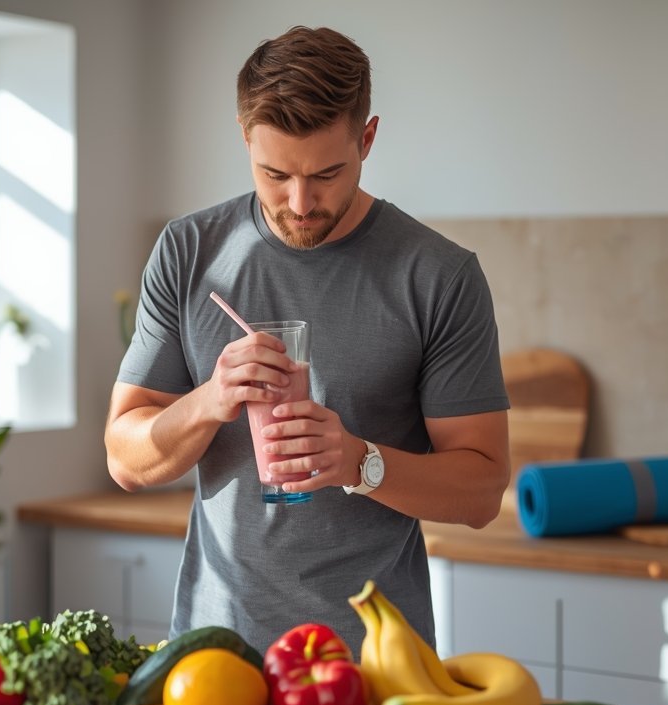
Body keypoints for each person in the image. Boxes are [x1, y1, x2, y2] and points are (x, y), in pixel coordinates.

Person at [104, 25, 510, 658]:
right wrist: (210, 399)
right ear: (245, 138)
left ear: (367, 138)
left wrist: (356, 462)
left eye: (326, 173)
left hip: (376, 663)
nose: (299, 203)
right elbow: (125, 458)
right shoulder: (188, 252)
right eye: (274, 174)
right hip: (215, 654)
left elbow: (482, 491)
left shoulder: (438, 276)